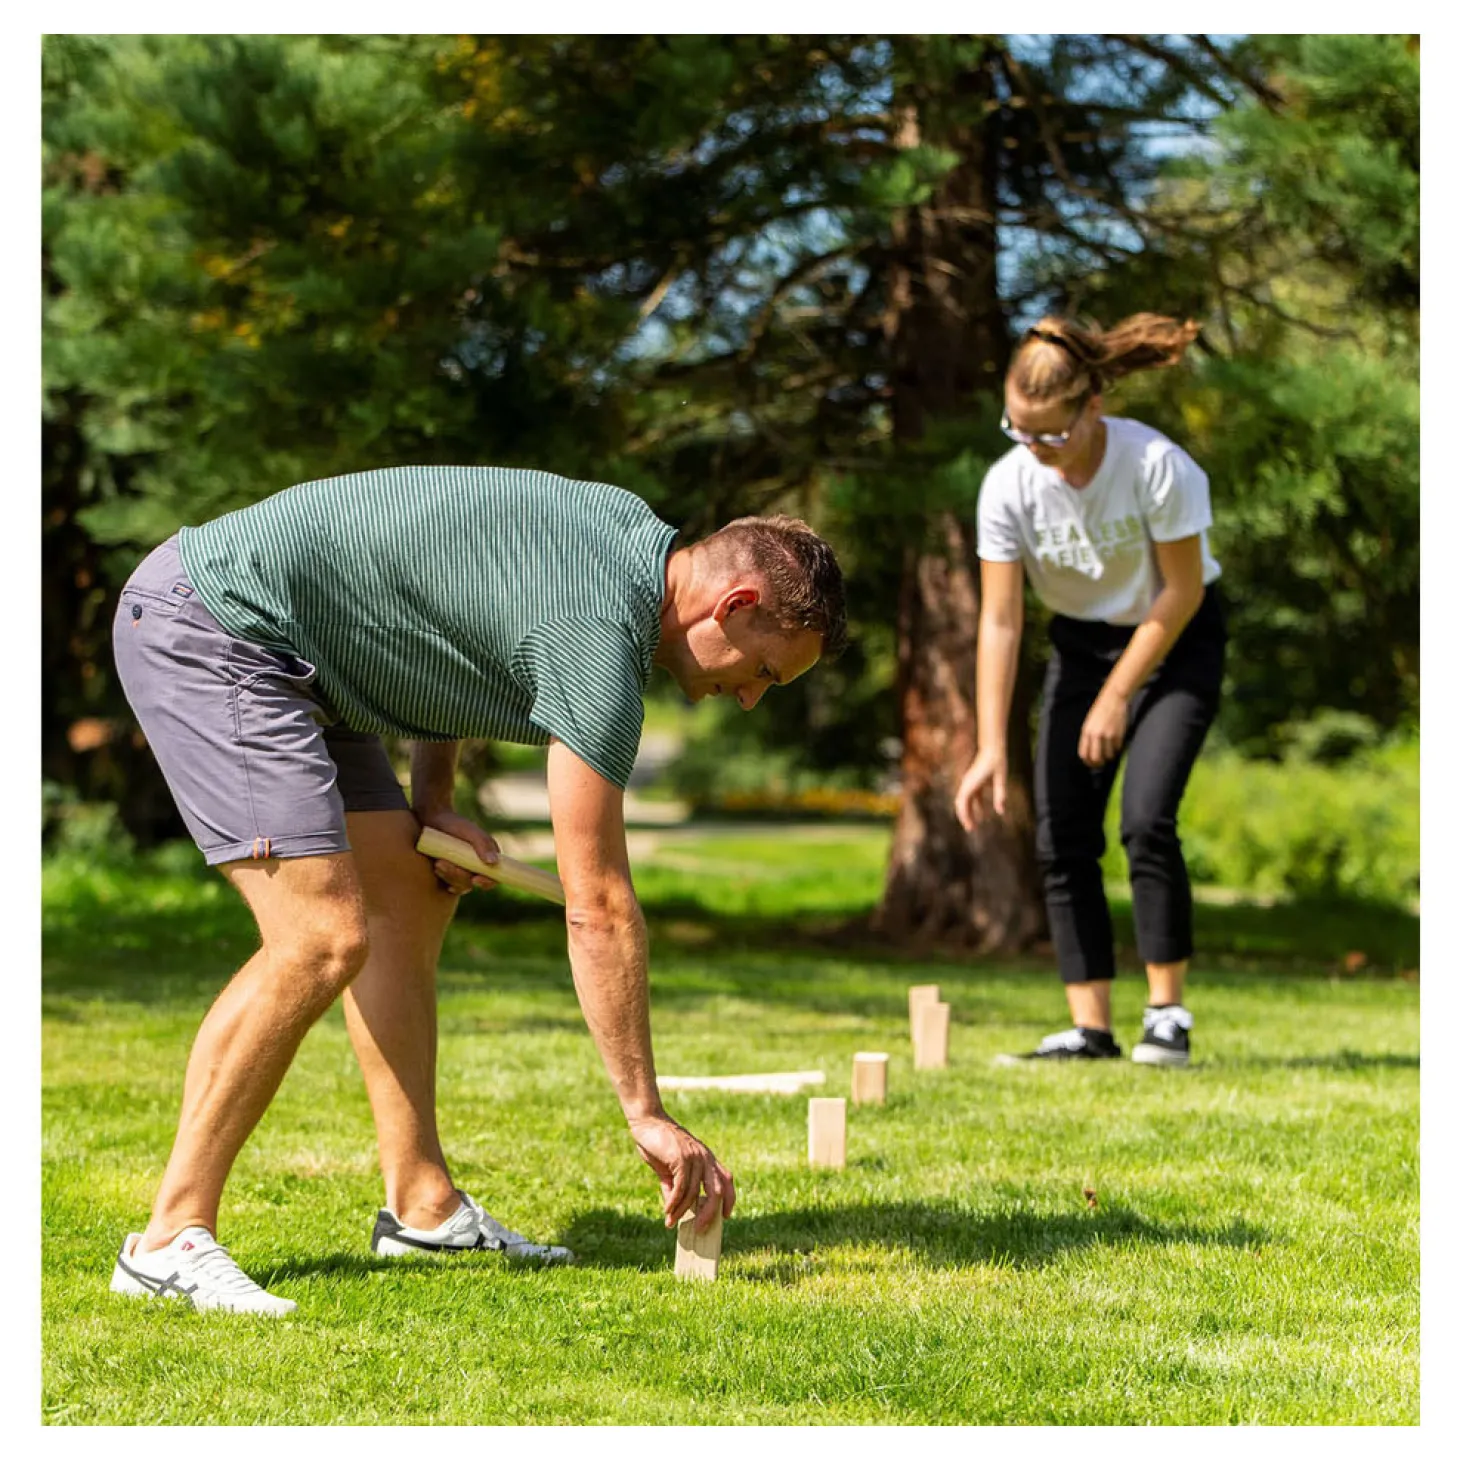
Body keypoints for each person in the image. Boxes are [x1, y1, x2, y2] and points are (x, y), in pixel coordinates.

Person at [107, 463, 847, 1314]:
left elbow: (453, 616)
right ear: (735, 606)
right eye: (764, 672)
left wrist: (435, 801)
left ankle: (423, 1205)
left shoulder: (622, 541)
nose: (750, 699)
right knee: (319, 938)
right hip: (218, 625)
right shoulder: (601, 636)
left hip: (310, 657)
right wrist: (645, 1111)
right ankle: (168, 1239)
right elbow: (598, 904)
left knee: (409, 897)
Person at [954, 314, 1225, 1067]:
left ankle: (1167, 1015)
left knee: (1145, 820)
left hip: (1176, 640)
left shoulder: (1156, 466)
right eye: (1019, 430)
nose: (1036, 450)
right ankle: (1091, 1028)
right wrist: (986, 748)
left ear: (1092, 407)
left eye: (1051, 434)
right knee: (1062, 833)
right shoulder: (1007, 488)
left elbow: (1181, 593)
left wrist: (1117, 695)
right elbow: (1002, 623)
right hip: (1080, 646)